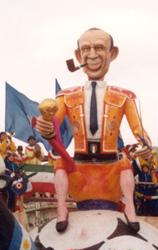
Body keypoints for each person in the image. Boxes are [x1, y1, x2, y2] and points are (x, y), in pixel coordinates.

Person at [35, 27, 152, 233]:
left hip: (111, 170)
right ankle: (61, 207)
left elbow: (138, 129)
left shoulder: (124, 96)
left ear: (112, 53)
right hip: (79, 169)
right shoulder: (66, 96)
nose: (92, 55)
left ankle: (129, 206)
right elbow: (51, 123)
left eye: (99, 48)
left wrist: (145, 143)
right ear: (78, 55)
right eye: (86, 49)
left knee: (124, 162)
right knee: (60, 162)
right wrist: (43, 125)